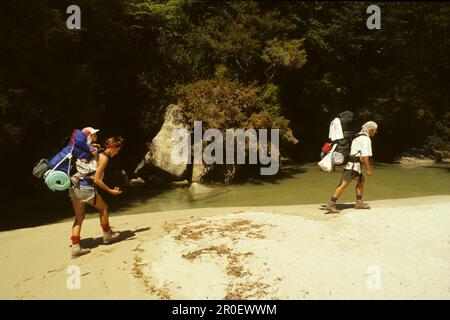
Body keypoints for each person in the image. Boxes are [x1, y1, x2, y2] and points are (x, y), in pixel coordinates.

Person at [70, 136, 124, 258]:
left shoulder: (95, 151)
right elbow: (97, 179)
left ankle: (75, 247)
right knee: (104, 208)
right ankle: (107, 235)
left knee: (79, 216)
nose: (117, 153)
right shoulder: (104, 158)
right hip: (85, 187)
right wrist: (110, 191)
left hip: (74, 185)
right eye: (117, 150)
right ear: (112, 147)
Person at [324, 121, 378, 214]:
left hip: (353, 164)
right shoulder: (366, 140)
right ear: (370, 130)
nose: (376, 132)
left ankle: (359, 203)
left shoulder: (357, 138)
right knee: (343, 184)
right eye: (375, 130)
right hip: (354, 165)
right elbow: (365, 156)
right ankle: (331, 204)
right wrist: (368, 169)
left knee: (361, 181)